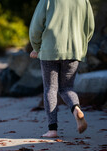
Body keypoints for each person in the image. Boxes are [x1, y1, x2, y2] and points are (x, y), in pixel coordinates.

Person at [29, 0, 95, 138]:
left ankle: (52, 129)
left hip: (49, 50)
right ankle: (76, 109)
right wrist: (80, 45)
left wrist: (36, 48)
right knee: (67, 88)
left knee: (50, 88)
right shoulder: (84, 1)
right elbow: (90, 28)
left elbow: (36, 27)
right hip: (74, 50)